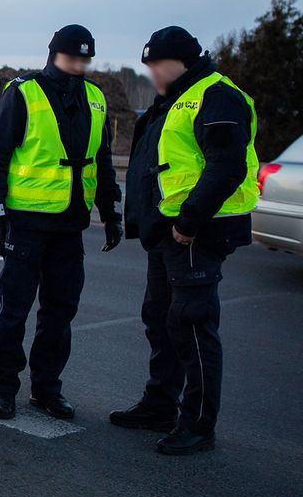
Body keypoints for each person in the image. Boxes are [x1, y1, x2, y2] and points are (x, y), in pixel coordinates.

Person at [109, 27, 259, 455]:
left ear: (182, 60)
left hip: (197, 230)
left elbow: (225, 165)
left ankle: (198, 424)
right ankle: (159, 405)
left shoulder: (217, 95)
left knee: (192, 324)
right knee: (160, 318)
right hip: (168, 230)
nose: (153, 72)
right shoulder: (172, 100)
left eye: (157, 64)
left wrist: (189, 222)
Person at [0, 25, 123, 421]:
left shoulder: (95, 98)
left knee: (60, 314)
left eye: (84, 58)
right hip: (26, 225)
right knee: (14, 312)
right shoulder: (23, 93)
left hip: (69, 227)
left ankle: (46, 390)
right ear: (54, 54)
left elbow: (103, 161)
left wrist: (111, 213)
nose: (79, 64)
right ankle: (4, 388)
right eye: (72, 57)